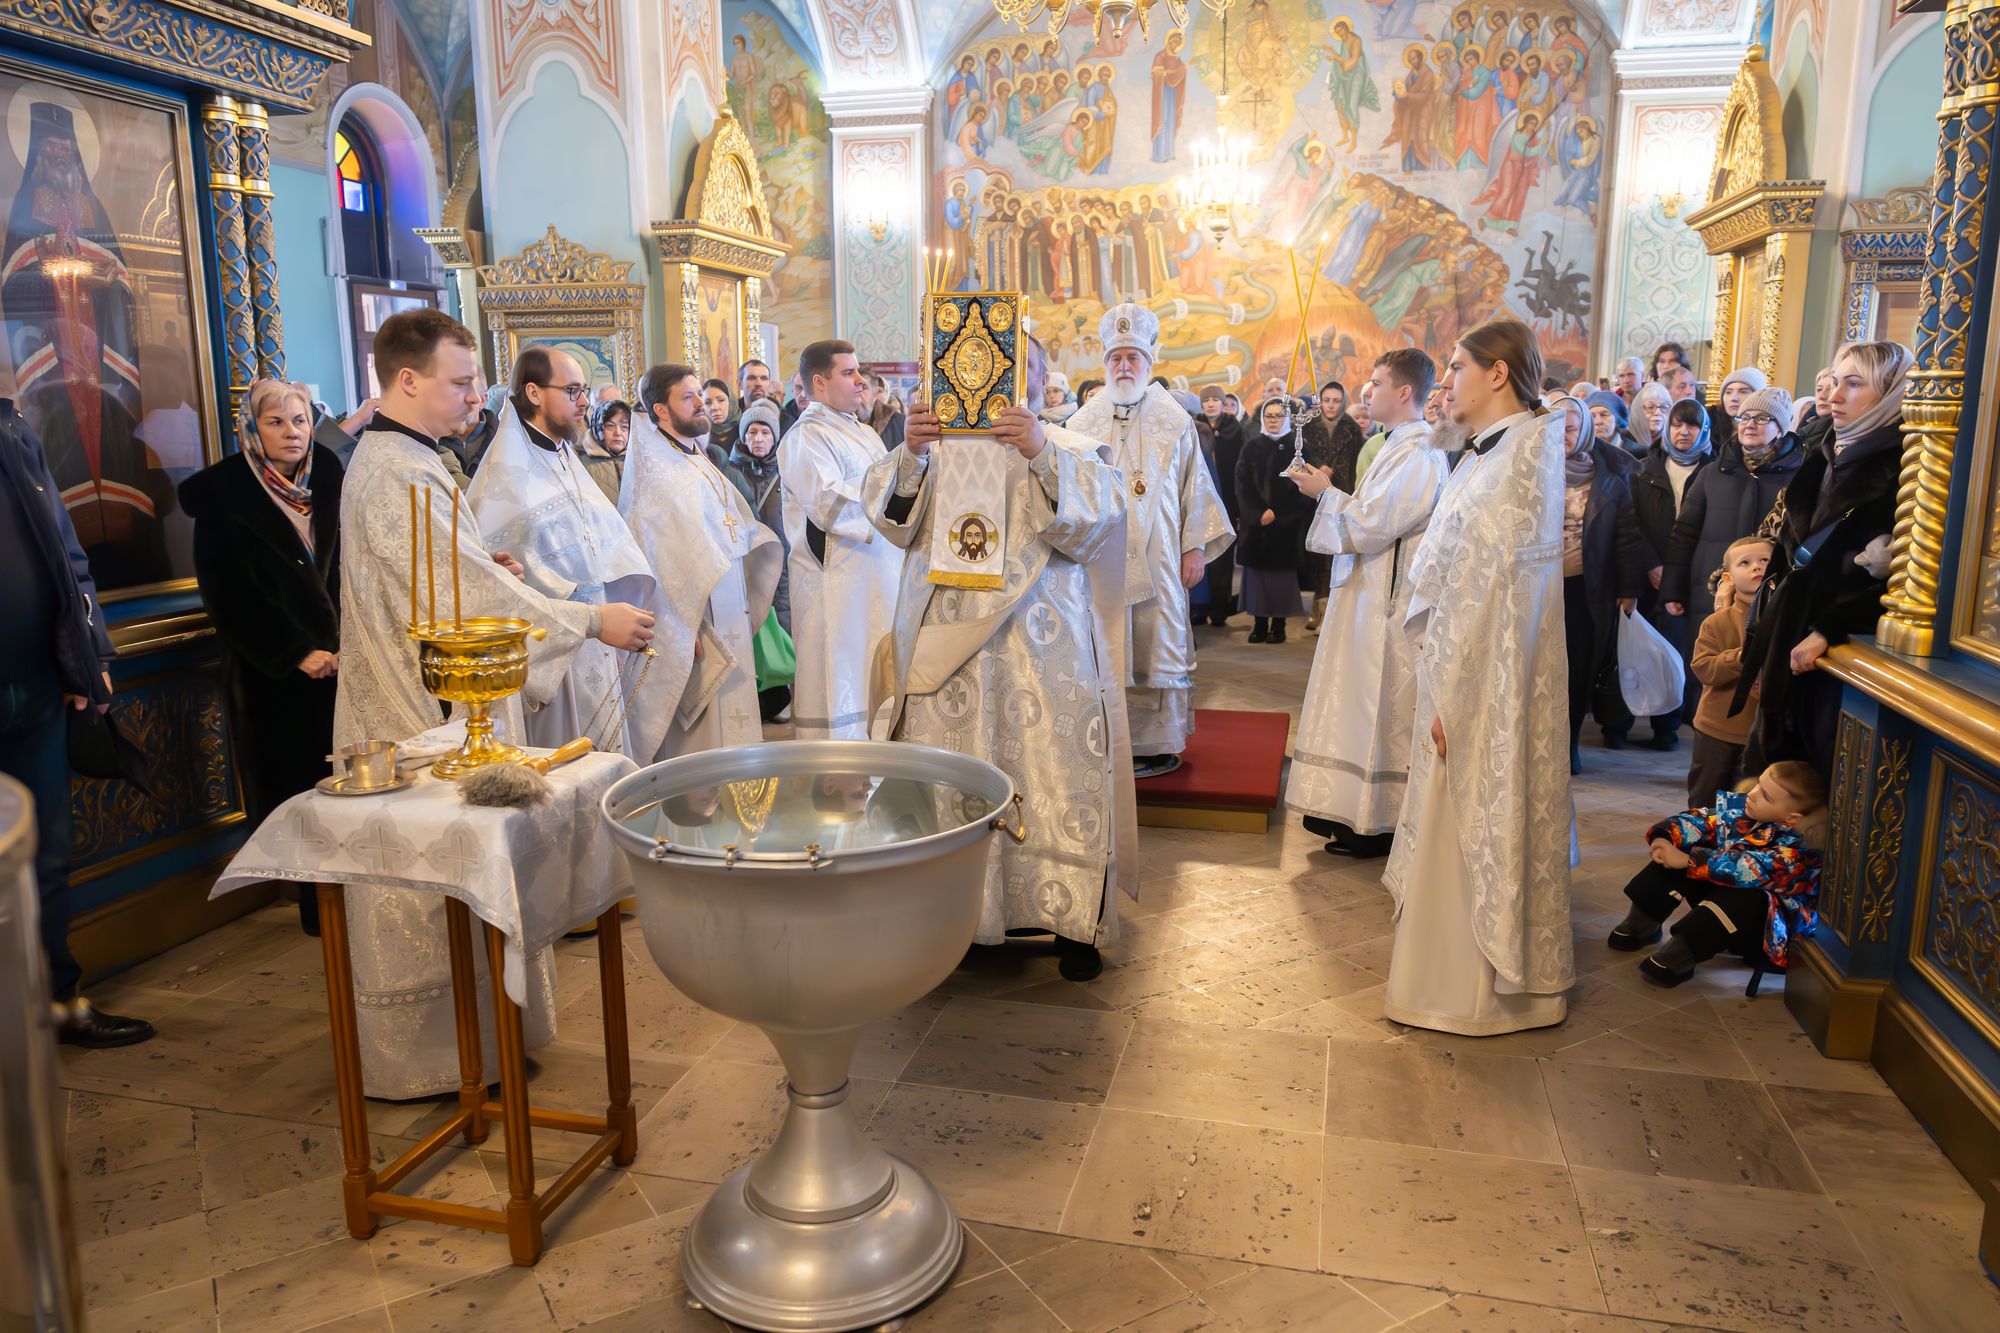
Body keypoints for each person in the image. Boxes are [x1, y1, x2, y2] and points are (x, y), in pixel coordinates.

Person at [333, 310, 656, 1098]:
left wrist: (484, 559)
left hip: (419, 696)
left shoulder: (407, 458)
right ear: (407, 380)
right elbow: (463, 604)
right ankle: (443, 1057)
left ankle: (477, 1044)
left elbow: (445, 576)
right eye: (460, 381)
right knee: (432, 888)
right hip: (419, 714)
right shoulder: (403, 472)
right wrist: (590, 620)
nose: (475, 394)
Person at [865, 334, 1135, 981]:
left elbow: (1099, 522)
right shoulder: (933, 449)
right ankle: (948, 919)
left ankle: (1069, 920)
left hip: (1042, 652)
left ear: (1039, 379)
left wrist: (1039, 450)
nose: (1004, 377)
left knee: (1052, 775)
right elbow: (892, 523)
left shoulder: (1069, 447)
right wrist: (911, 451)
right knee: (945, 781)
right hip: (944, 660)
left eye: (1022, 366)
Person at [1383, 317, 1573, 1036]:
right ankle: (1443, 981)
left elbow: (1496, 597)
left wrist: (1456, 700)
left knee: (1469, 821)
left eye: (1457, 367)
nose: (1445, 384)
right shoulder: (1492, 450)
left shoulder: (1522, 456)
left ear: (1498, 373)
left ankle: (1470, 994)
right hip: (1462, 669)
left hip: (1484, 683)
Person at [0, 392, 151, 1047]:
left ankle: (57, 1004)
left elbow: (68, 559)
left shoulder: (11, 429)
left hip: (36, 685)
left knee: (45, 855)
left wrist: (90, 661)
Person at [179, 379, 344, 936]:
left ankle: (358, 903)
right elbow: (229, 597)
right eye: (276, 422)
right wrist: (295, 652)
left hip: (345, 662)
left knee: (347, 786)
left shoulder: (329, 478)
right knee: (299, 791)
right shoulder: (226, 499)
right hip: (280, 677)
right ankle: (318, 912)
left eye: (300, 420)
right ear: (251, 430)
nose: (292, 433)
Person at [466, 348, 676, 758]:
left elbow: (602, 543)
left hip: (599, 637)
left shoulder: (563, 456)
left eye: (584, 390)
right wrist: (586, 615)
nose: (584, 402)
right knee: (563, 759)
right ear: (534, 393)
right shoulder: (503, 477)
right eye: (573, 391)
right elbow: (499, 586)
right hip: (552, 654)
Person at [1285, 349, 1447, 858]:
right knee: (1357, 705)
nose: (1367, 391)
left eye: (1376, 383)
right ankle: (1350, 813)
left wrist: (1324, 493)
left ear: (1404, 391)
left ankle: (1377, 822)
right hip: (1368, 598)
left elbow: (1374, 525)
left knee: (1377, 709)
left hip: (1388, 610)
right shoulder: (1397, 445)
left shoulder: (1420, 452)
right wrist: (1329, 492)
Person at [1066, 304, 1234, 777]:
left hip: (1160, 560)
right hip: (1099, 563)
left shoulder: (1173, 420)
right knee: (1104, 645)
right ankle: (1106, 737)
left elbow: (1196, 486)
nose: (1124, 366)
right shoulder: (1080, 424)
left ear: (1148, 363)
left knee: (1157, 641)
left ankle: (1158, 742)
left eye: (1133, 358)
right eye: (1116, 358)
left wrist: (1194, 547)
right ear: (1106, 363)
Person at [1735, 342, 1912, 772]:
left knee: (1814, 784)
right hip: (1788, 632)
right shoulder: (1827, 453)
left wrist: (1831, 628)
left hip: (1839, 658)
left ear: (1890, 392)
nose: (1834, 395)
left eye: (1854, 384)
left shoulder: (1904, 468)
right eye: (1834, 382)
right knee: (1773, 777)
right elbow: (1789, 548)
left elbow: (1912, 585)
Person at [620, 364, 783, 756]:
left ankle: (737, 789)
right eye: (688, 396)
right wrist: (679, 626)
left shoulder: (695, 458)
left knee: (735, 719)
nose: (700, 403)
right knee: (702, 737)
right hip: (693, 621)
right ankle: (698, 796)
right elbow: (652, 558)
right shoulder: (655, 475)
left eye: (700, 394)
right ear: (661, 410)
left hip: (729, 610)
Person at [778, 340, 906, 739]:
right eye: (848, 373)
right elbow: (829, 504)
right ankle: (839, 765)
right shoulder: (806, 437)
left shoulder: (864, 432)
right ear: (819, 382)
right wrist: (896, 492)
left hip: (877, 577)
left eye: (859, 372)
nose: (860, 382)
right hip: (838, 587)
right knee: (843, 678)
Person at [1609, 760, 1826, 988]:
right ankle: (1642, 923)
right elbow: (1699, 821)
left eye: (1766, 796)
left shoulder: (1803, 851)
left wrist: (1689, 860)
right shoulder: (1743, 812)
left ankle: (1682, 953)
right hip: (1724, 907)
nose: (1752, 794)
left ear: (1792, 818)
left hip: (1766, 936)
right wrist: (1663, 839)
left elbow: (1747, 867)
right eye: (1758, 785)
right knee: (1684, 849)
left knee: (1747, 894)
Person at [1663, 387, 1801, 625]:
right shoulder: (1712, 473)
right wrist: (1672, 588)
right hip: (1708, 593)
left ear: (1780, 428)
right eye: (1745, 417)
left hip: (1768, 597)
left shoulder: (1798, 479)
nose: (1750, 424)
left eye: (1761, 418)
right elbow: (1684, 533)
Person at [1631, 396, 1713, 753]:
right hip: (1648, 574)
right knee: (1649, 650)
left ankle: (1671, 726)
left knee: (1681, 651)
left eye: (1692, 425)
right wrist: (1651, 563)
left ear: (1704, 431)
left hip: (1692, 576)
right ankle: (1643, 722)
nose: (1683, 432)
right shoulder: (1644, 469)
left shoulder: (1714, 470)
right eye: (1677, 425)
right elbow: (1631, 520)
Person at [721, 397, 794, 722]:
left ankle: (781, 693)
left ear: (775, 436)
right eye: (752, 432)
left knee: (782, 626)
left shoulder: (786, 471)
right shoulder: (731, 472)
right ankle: (752, 695)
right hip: (748, 562)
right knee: (751, 627)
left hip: (784, 561)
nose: (759, 439)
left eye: (765, 432)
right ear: (743, 436)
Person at [1687, 537, 1772, 805]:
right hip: (1716, 730)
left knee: (1744, 803)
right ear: (1728, 577)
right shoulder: (1716, 623)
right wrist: (1739, 658)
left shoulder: (1781, 620)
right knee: (1705, 798)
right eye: (1745, 563)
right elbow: (1704, 668)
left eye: (1765, 561)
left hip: (1759, 732)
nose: (1756, 567)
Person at [1234, 397, 1312, 643]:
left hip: (1286, 528)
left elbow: (1306, 487)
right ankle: (1258, 624)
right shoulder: (1251, 446)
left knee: (1281, 582)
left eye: (1279, 415)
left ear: (1287, 419)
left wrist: (1280, 514)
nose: (1274, 420)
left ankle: (1279, 626)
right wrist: (1257, 513)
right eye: (1269, 415)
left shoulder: (1298, 446)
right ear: (1262, 418)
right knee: (1258, 580)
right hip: (1257, 528)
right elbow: (1242, 485)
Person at [1198, 385, 1244, 625]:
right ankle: (1198, 608)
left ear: (1223, 403)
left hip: (1227, 499)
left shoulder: (1234, 429)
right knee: (1200, 552)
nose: (1210, 404)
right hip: (1200, 500)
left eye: (1215, 399)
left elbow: (1240, 469)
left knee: (1223, 556)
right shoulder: (1194, 426)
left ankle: (1219, 609)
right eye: (1206, 400)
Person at [581, 398, 631, 505]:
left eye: (624, 427)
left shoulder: (636, 460)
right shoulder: (581, 462)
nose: (618, 433)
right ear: (597, 427)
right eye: (610, 426)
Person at [1709, 365, 1767, 446]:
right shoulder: (1709, 423)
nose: (1734, 398)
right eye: (1728, 392)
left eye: (1743, 392)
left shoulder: (1767, 427)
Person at [1585, 389, 1641, 456]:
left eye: (1604, 415)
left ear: (1618, 420)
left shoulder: (1638, 454)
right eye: (1592, 416)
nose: (1598, 422)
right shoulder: (1582, 455)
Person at [865, 372, 906, 449]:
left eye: (880, 391)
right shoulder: (861, 414)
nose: (877, 394)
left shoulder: (898, 419)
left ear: (887, 392)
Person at [702, 376, 739, 463]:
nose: (714, 407)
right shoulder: (699, 436)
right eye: (707, 402)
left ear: (731, 401)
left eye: (721, 400)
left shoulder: (746, 431)